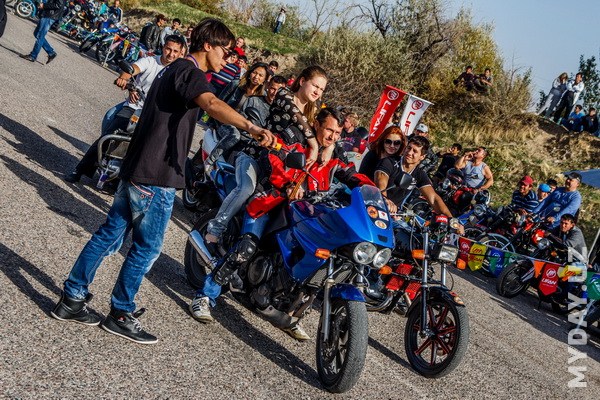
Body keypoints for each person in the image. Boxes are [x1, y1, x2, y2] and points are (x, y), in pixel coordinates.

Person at [51, 18, 276, 345]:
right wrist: (252, 128)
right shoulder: (190, 72)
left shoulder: (173, 69)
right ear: (208, 45)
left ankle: (72, 298)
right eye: (226, 51)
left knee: (109, 234)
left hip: (138, 167)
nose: (229, 59)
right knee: (147, 248)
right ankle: (121, 313)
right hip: (156, 176)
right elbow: (211, 104)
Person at [190, 108, 373, 341]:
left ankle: (290, 314)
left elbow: (352, 176)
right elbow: (273, 157)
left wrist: (374, 194)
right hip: (270, 200)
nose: (333, 136)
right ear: (316, 124)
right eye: (329, 130)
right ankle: (205, 296)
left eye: (338, 133)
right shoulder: (294, 135)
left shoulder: (335, 153)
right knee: (247, 247)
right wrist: (287, 183)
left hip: (306, 212)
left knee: (316, 260)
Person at [64, 35, 187, 183]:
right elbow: (132, 69)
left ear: (180, 53)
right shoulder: (150, 61)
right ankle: (80, 170)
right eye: (168, 49)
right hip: (135, 107)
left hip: (155, 115)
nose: (171, 54)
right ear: (163, 47)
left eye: (175, 51)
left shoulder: (178, 71)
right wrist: (124, 79)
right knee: (111, 134)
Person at [201, 75, 287, 243]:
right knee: (245, 188)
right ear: (267, 86)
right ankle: (215, 226)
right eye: (272, 88)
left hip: (268, 161)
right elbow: (240, 118)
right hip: (247, 145)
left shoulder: (284, 114)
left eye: (279, 91)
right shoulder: (255, 101)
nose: (274, 93)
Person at [374, 135, 455, 218]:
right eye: (409, 148)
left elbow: (433, 199)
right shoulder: (389, 161)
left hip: (393, 214)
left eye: (415, 151)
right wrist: (385, 199)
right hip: (375, 203)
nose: (409, 152)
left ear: (422, 157)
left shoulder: (419, 174)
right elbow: (380, 180)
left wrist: (452, 220)